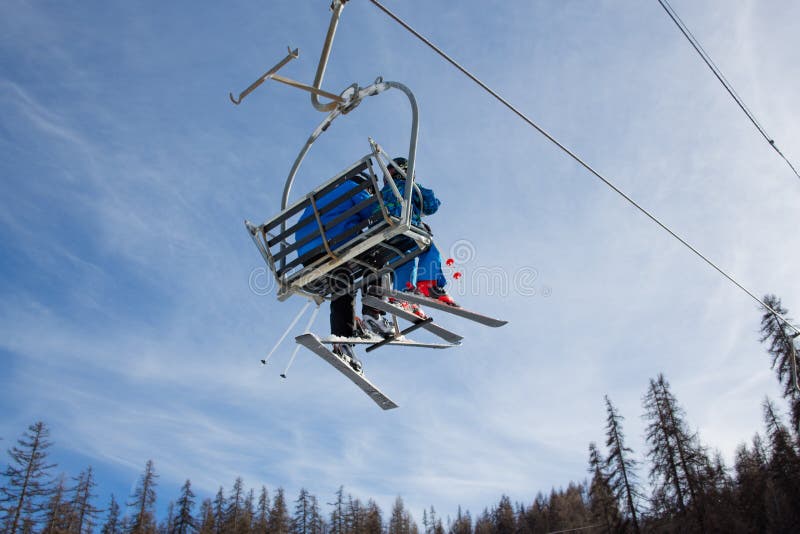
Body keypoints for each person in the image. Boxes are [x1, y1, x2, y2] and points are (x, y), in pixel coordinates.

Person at [294, 176, 394, 371]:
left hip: (309, 256)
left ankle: (343, 340)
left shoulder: (328, 198)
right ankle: (373, 312)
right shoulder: (354, 189)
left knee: (343, 281)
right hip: (332, 246)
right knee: (378, 253)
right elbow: (376, 213)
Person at [376, 157, 458, 315]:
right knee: (428, 248)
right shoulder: (407, 187)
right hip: (403, 228)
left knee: (402, 258)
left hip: (383, 234)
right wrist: (417, 187)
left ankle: (403, 293)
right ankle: (428, 283)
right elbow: (430, 206)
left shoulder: (381, 194)